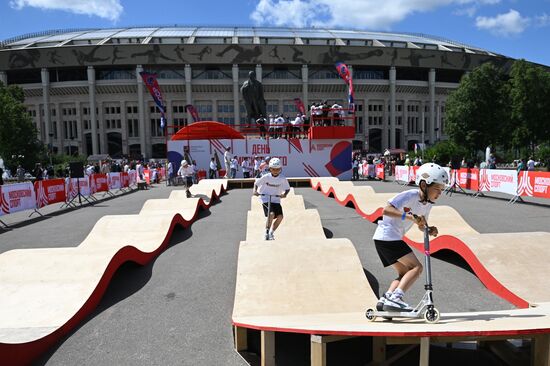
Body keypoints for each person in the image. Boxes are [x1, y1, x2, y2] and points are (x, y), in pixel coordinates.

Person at [373, 163, 448, 312]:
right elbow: (386, 210)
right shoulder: (410, 195)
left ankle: (386, 298)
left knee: (403, 273)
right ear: (423, 185)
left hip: (386, 239)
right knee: (416, 268)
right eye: (437, 189)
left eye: (442, 190)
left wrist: (428, 228)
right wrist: (408, 216)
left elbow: (421, 224)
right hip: (388, 237)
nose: (439, 194)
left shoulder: (428, 204)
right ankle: (396, 298)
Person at [253, 158, 291, 240]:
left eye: (277, 169)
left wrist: (285, 194)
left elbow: (287, 188)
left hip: (276, 199)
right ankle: (266, 232)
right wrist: (255, 191)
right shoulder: (266, 177)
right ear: (270, 169)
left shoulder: (282, 178)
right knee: (271, 214)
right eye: (273, 169)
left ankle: (271, 233)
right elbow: (256, 184)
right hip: (265, 198)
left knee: (280, 217)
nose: (275, 171)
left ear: (280, 169)